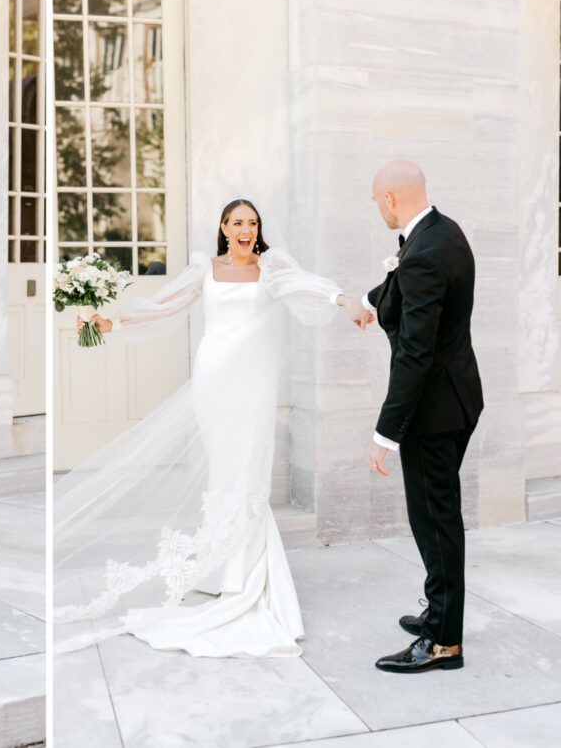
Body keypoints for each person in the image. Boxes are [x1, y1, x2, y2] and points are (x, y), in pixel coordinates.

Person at [54, 198, 372, 657]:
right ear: (223, 228)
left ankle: (245, 578)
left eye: (253, 223)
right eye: (237, 222)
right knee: (226, 470)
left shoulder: (272, 267)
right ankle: (224, 570)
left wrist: (346, 301)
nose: (246, 229)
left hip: (255, 386)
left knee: (248, 473)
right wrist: (111, 321)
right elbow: (164, 306)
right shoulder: (205, 268)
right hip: (213, 381)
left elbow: (306, 288)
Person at [360, 161, 482, 673]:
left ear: (390, 198)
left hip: (435, 410)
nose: (378, 210)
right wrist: (368, 301)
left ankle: (441, 642)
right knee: (433, 517)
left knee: (435, 522)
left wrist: (384, 433)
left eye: (376, 202)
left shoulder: (426, 249)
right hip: (453, 399)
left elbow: (416, 351)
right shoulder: (440, 230)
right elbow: (412, 296)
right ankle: (440, 609)